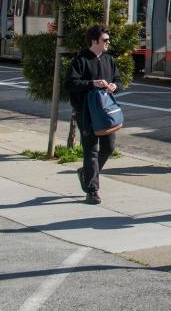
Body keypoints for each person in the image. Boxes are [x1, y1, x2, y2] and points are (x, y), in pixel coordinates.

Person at [66, 25, 122, 205]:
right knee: (91, 150)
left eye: (108, 40)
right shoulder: (80, 60)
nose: (108, 43)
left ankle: (86, 173)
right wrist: (92, 84)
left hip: (105, 113)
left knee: (109, 147)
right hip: (86, 113)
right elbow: (71, 84)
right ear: (94, 41)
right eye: (105, 40)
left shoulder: (109, 60)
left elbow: (118, 79)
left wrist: (115, 86)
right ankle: (92, 190)